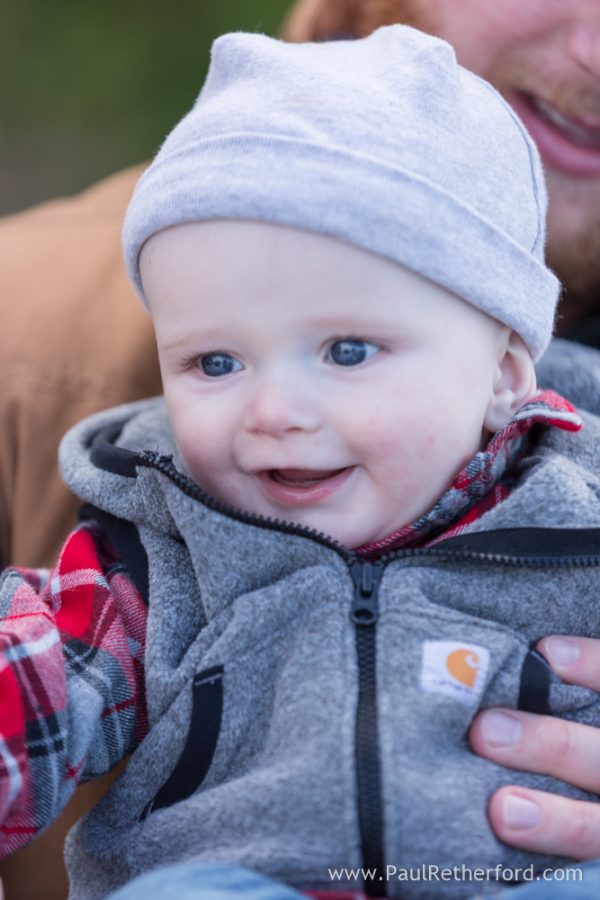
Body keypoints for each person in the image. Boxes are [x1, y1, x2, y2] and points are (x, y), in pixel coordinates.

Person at [1, 2, 600, 898]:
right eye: (213, 361)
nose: (275, 411)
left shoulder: (576, 514)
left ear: (506, 371)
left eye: (349, 352)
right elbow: (44, 683)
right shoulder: (159, 556)